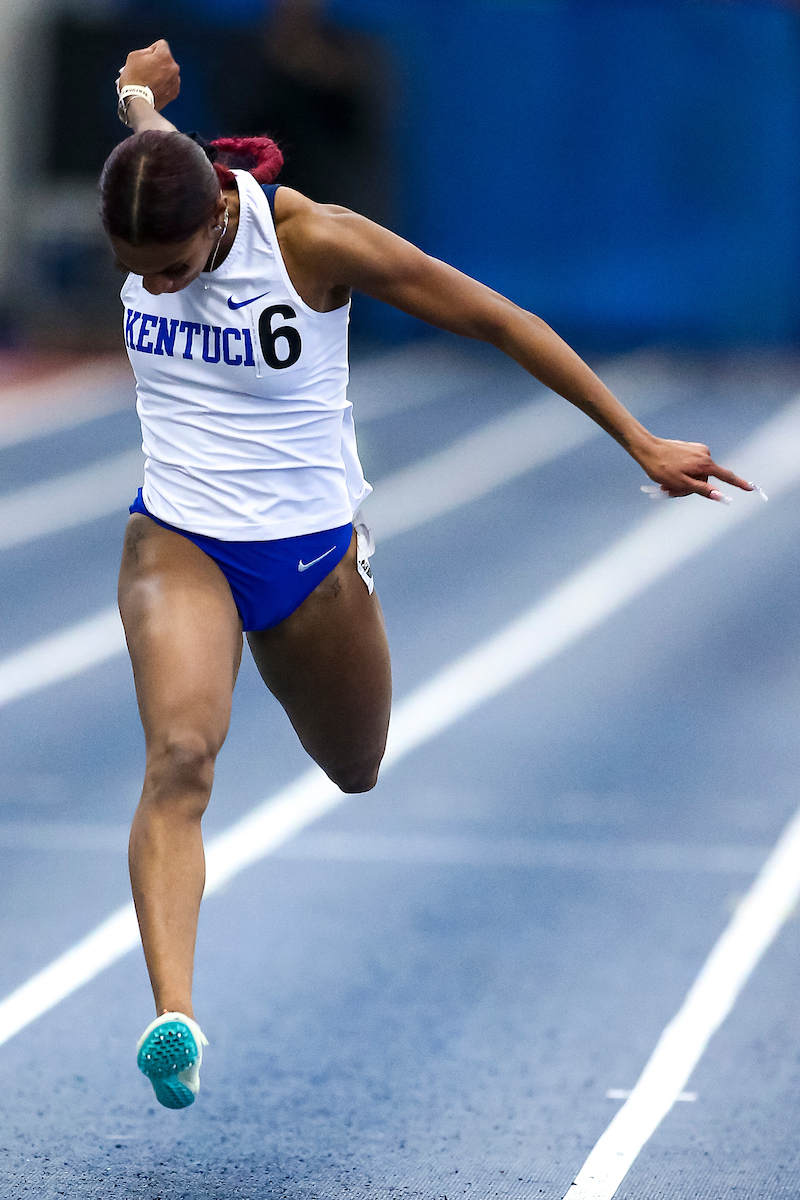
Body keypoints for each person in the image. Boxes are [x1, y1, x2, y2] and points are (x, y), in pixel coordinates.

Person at [103, 40, 753, 1110]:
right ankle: (174, 1017)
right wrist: (135, 96)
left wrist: (635, 440)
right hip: (176, 536)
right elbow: (146, 132)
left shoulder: (310, 241)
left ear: (217, 220)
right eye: (137, 274)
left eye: (170, 270)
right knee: (181, 755)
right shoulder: (154, 186)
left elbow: (498, 319)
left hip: (309, 554)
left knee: (355, 765)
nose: (155, 287)